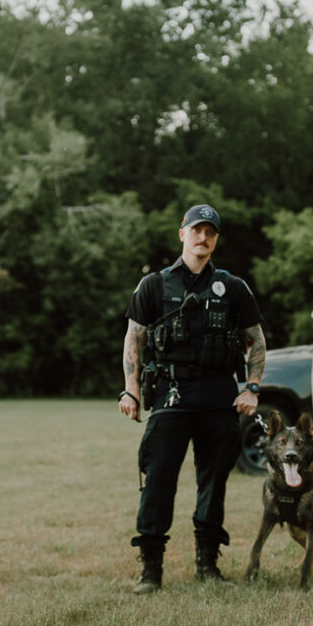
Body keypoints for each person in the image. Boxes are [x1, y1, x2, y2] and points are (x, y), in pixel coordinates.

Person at [119, 203, 266, 594]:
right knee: (158, 481)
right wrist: (132, 390)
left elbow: (255, 340)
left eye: (211, 232)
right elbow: (134, 337)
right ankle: (151, 569)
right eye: (197, 230)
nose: (203, 237)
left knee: (214, 482)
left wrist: (251, 387)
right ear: (182, 233)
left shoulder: (233, 287)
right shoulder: (154, 285)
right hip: (171, 394)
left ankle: (207, 564)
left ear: (216, 239)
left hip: (219, 395)